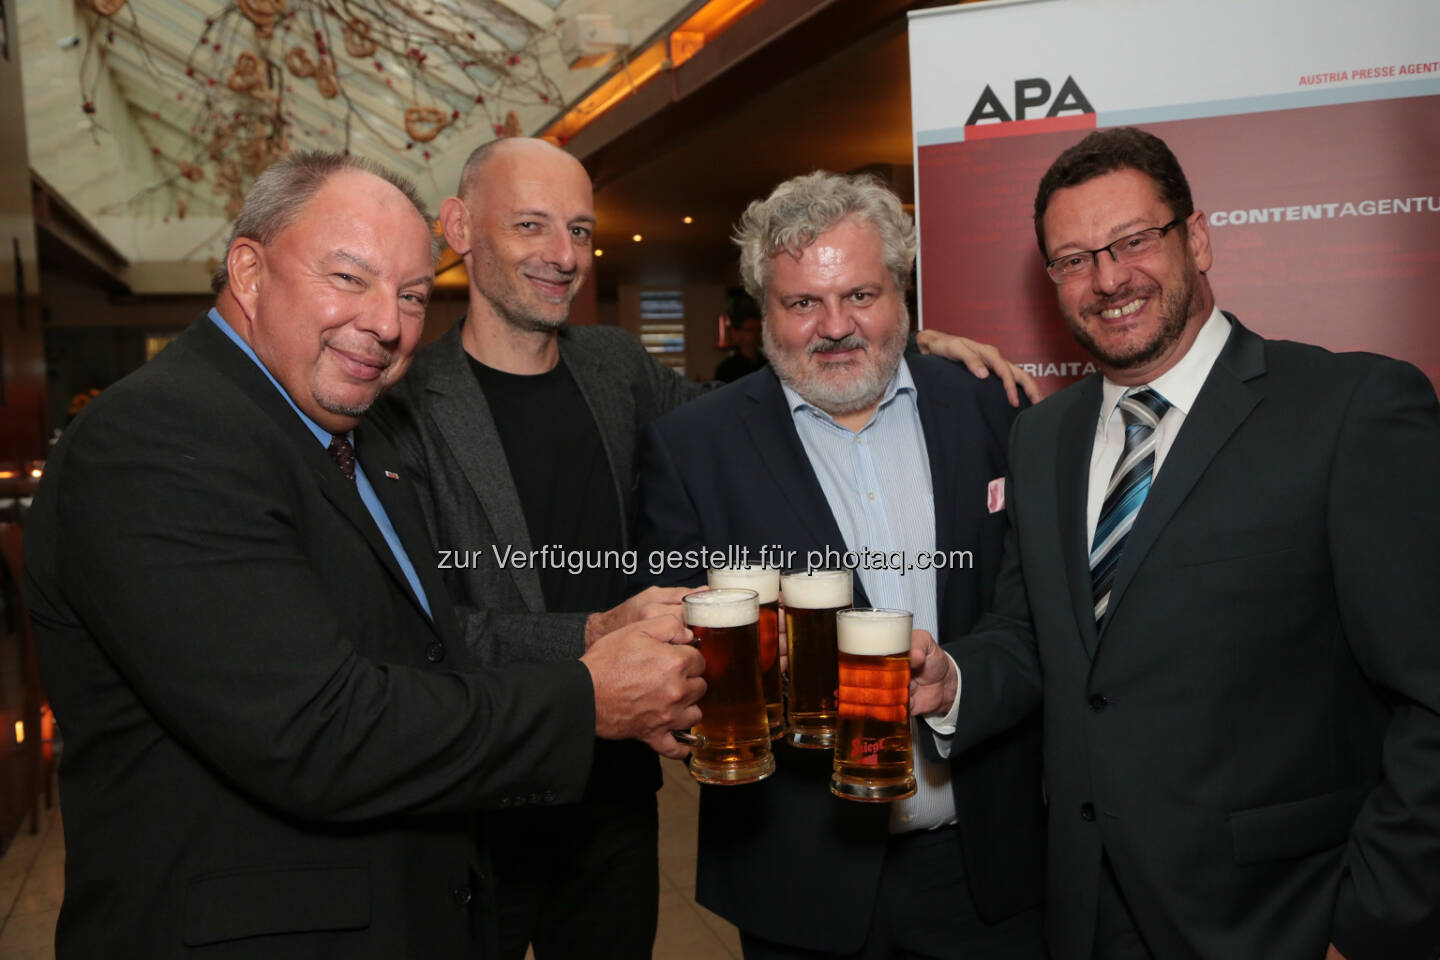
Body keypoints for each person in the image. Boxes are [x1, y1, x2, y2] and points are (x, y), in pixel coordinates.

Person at [366, 137, 1041, 959]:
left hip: (614, 812)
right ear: (460, 227)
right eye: (533, 224)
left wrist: (913, 343)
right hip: (480, 795)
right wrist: (593, 636)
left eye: (579, 229)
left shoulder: (617, 369)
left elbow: (792, 387)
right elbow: (419, 626)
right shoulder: (396, 410)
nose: (562, 253)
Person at [21, 151, 706, 959]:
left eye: (412, 295)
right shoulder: (161, 439)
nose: (387, 323)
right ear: (248, 269)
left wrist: (592, 636)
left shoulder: (357, 438)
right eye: (349, 278)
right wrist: (585, 699)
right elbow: (319, 730)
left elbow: (431, 642)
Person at [913, 127, 1440, 960]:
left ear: (1195, 237)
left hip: (1284, 920)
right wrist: (953, 681)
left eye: (1132, 242)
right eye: (1074, 259)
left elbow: (1431, 697)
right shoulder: (1042, 439)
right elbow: (1034, 634)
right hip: (1086, 915)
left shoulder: (1351, 410)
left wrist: (1369, 926)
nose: (1108, 279)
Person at [632, 171, 1047, 959]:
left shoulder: (992, 406)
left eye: (861, 295)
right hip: (800, 883)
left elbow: (1037, 618)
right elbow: (673, 656)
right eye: (802, 304)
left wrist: (958, 677)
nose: (834, 326)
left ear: (903, 295)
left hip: (989, 869)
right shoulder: (693, 449)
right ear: (765, 313)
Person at [714, 288, 767, 382]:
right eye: (750, 330)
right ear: (737, 333)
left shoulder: (768, 366)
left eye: (758, 330)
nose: (755, 334)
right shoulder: (727, 369)